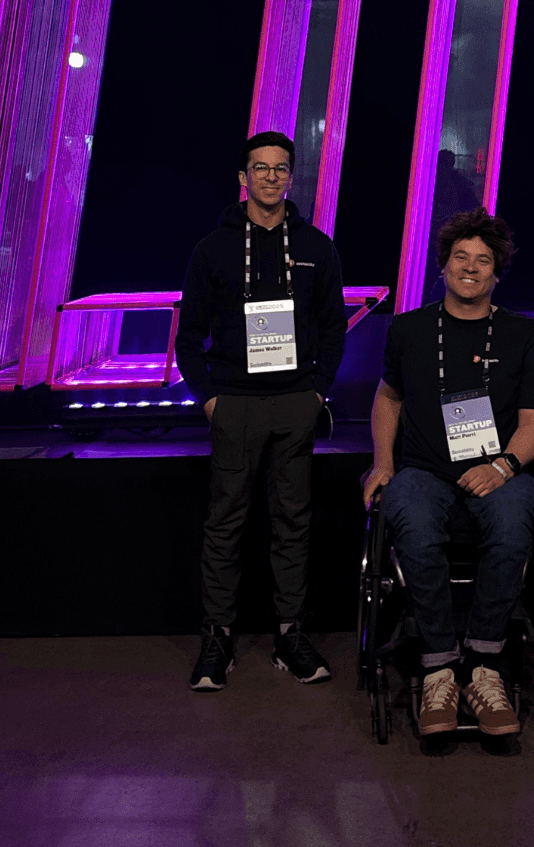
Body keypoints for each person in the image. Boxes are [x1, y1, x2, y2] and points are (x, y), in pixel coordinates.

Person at [361, 208, 534, 737]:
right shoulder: (408, 329)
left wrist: (503, 466)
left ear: (497, 271)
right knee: (414, 526)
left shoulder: (523, 334)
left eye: (483, 260)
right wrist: (383, 463)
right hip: (424, 469)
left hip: (498, 468)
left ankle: (485, 666)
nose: (470, 267)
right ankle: (439, 667)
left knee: (512, 526)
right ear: (443, 265)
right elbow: (388, 396)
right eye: (461, 257)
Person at [176, 130, 347, 692]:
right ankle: (217, 638)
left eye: (280, 168)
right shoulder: (212, 249)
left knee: (293, 522)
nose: (271, 177)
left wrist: (317, 391)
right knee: (226, 523)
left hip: (296, 402)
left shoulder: (317, 246)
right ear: (243, 177)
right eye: (260, 168)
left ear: (290, 177)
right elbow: (188, 336)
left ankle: (289, 636)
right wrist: (210, 398)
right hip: (235, 404)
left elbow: (334, 327)